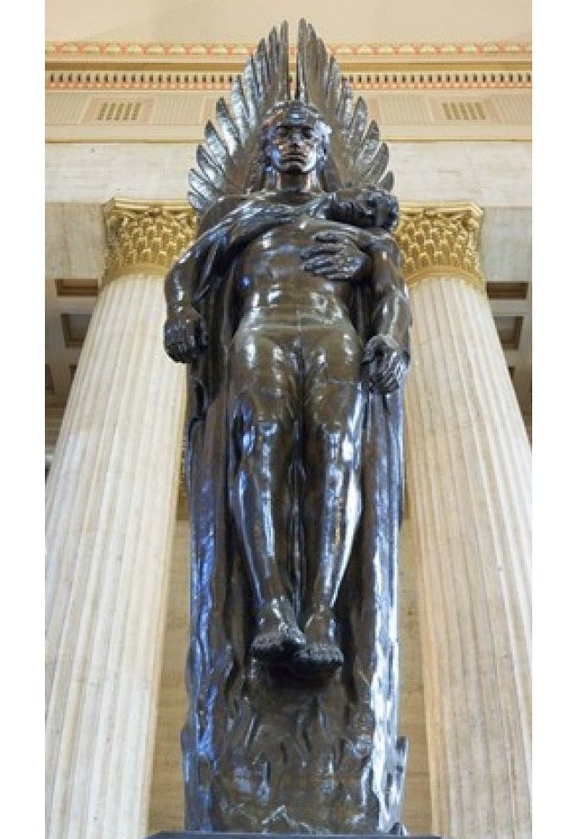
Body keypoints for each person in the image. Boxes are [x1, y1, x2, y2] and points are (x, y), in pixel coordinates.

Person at [164, 99, 411, 679]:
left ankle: (322, 614)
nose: (295, 142)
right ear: (267, 148)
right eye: (283, 134)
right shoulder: (240, 211)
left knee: (336, 458)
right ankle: (273, 606)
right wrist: (181, 313)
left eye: (306, 134)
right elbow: (187, 269)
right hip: (262, 329)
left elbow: (390, 279)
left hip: (332, 334)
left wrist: (393, 338)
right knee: (260, 449)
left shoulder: (353, 221)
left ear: (323, 149)